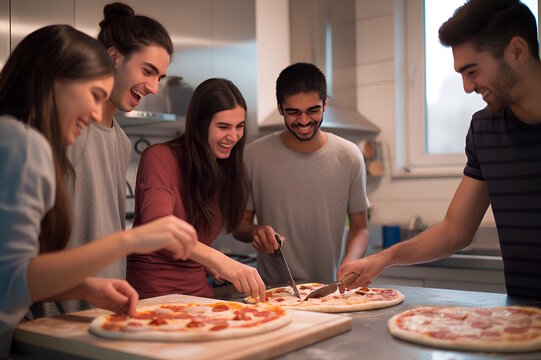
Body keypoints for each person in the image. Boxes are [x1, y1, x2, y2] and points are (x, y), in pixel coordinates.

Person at [0, 25, 197, 357]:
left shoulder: (12, 135)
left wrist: (83, 287)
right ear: (54, 78)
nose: (95, 112)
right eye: (93, 94)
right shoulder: (22, 142)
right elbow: (16, 279)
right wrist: (130, 239)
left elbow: (10, 277)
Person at [339, 0, 541, 299]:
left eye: (472, 71)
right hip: (525, 319)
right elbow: (455, 230)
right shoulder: (484, 130)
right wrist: (384, 258)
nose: (467, 87)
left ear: (517, 52)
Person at [55, 3, 174, 314]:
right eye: (148, 71)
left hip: (105, 310)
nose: (153, 87)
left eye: (160, 76)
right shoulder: (65, 128)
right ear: (113, 57)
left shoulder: (121, 140)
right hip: (55, 313)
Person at [126, 78, 266, 301]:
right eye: (223, 127)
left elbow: (196, 240)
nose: (234, 137)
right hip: (153, 295)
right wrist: (219, 260)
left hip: (200, 293)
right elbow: (160, 229)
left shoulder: (224, 167)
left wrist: (208, 262)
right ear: (200, 125)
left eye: (239, 126)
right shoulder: (159, 157)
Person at [233, 62, 371, 285]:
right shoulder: (253, 156)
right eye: (293, 112)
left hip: (328, 290)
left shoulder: (350, 156)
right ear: (280, 108)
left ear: (325, 104)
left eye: (313, 110)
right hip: (272, 292)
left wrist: (351, 261)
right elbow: (239, 225)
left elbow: (360, 228)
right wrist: (257, 232)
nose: (304, 121)